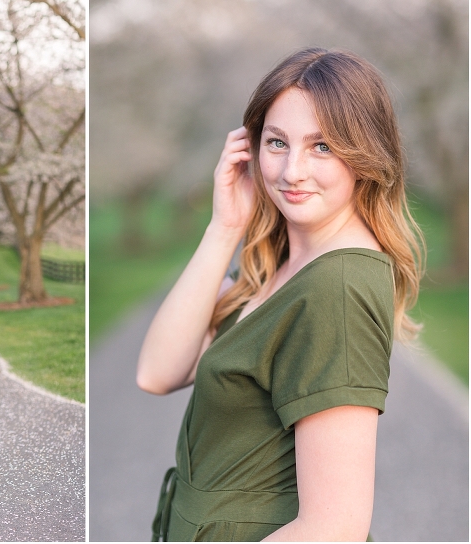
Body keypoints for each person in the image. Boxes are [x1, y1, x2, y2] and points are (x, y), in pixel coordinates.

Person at [137, 48, 424, 541]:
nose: (292, 171)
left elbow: (334, 527)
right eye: (277, 142)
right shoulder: (278, 265)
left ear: (366, 154)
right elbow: (157, 372)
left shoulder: (337, 288)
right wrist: (225, 226)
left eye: (322, 147)